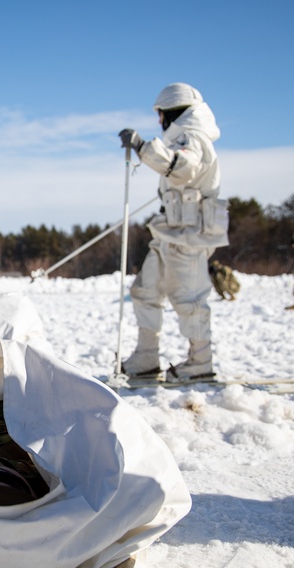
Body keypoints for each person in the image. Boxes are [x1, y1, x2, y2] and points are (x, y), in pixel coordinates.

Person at [118, 83, 229, 381]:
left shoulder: (193, 138)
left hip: (190, 235)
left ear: (174, 112)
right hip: (169, 232)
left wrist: (143, 147)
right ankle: (146, 357)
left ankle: (200, 363)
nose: (159, 121)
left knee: (189, 299)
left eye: (161, 114)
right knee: (145, 291)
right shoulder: (181, 137)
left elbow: (183, 167)